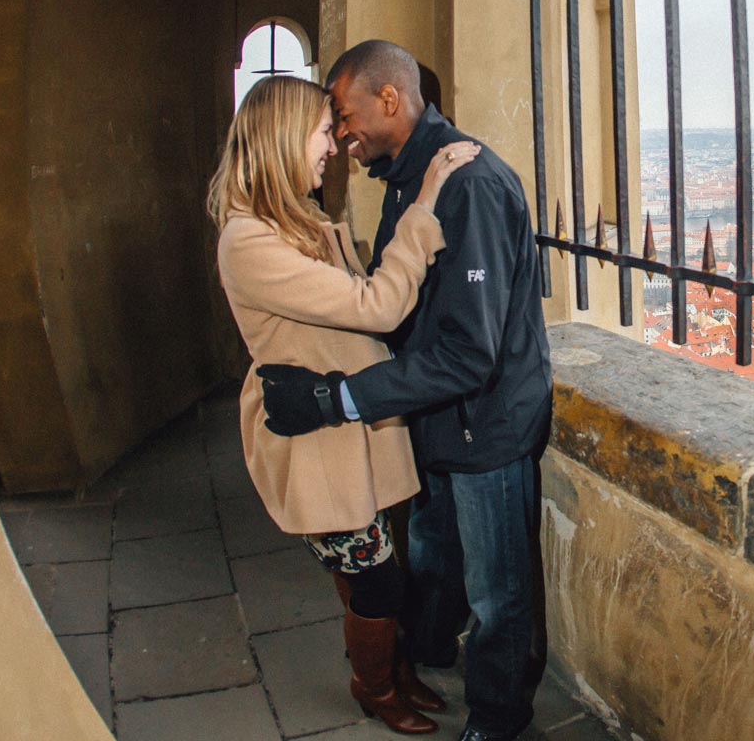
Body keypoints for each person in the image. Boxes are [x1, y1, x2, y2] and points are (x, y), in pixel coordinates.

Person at [257, 40, 552, 741]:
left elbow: (467, 354)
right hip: (435, 424)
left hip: (486, 428)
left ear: (389, 99)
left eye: (344, 113)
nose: (341, 134)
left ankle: (499, 719)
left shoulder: (470, 185)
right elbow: (396, 302)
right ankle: (425, 654)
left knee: (499, 594)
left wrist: (339, 398)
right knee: (434, 560)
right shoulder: (409, 179)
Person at [208, 74, 480, 736]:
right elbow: (377, 306)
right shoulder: (248, 240)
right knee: (380, 580)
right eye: (324, 132)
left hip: (357, 424)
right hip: (317, 437)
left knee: (371, 566)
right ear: (283, 139)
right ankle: (374, 686)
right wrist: (428, 198)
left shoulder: (297, 222)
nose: (334, 145)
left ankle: (394, 667)